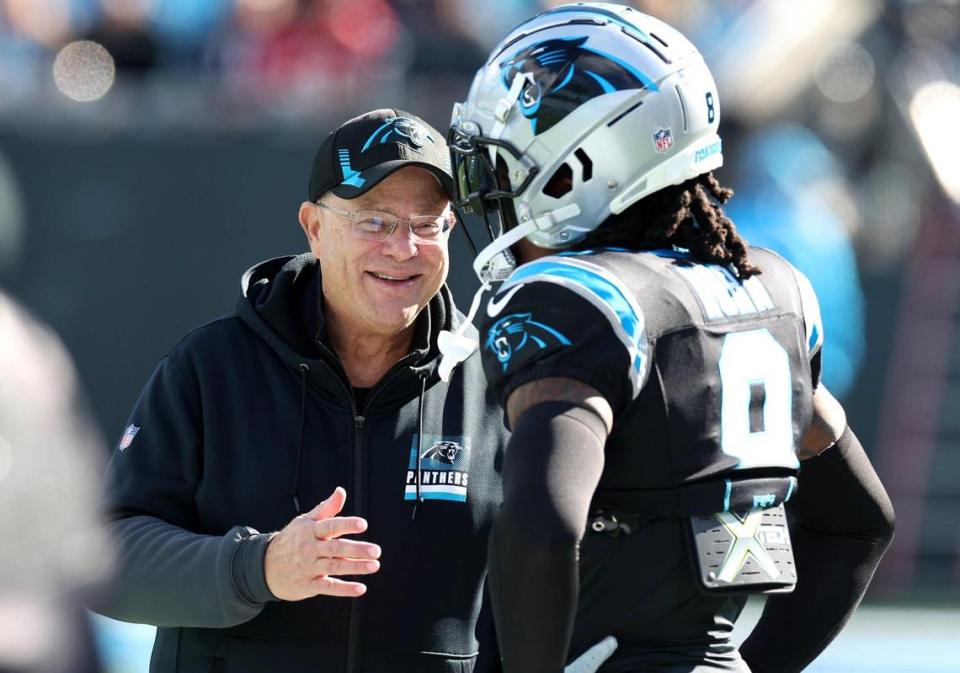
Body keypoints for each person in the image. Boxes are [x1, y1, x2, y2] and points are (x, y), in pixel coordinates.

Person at [439, 4, 895, 672]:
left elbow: (546, 527)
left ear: (580, 168)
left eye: (507, 169)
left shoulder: (580, 302)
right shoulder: (768, 292)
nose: (493, 195)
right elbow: (860, 521)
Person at [98, 109, 506, 673]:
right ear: (313, 227)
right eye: (375, 221)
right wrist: (258, 567)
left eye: (426, 223)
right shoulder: (212, 368)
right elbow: (106, 560)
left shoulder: (495, 384)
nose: (403, 247)